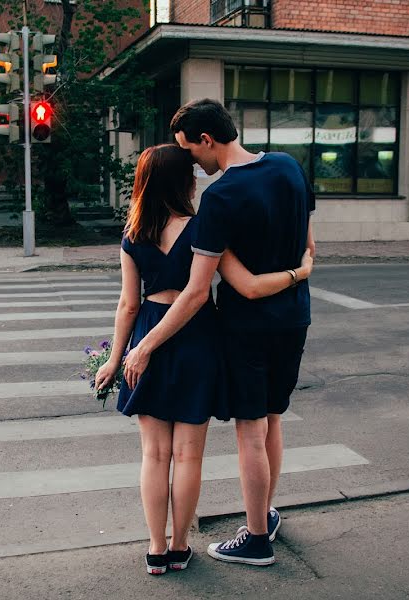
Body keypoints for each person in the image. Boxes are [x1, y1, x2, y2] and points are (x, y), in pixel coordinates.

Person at [95, 143, 313, 575]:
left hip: (148, 341)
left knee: (154, 455)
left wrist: (117, 357)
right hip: (197, 341)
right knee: (188, 456)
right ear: (186, 182)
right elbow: (245, 285)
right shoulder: (203, 229)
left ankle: (156, 550)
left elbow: (128, 305)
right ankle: (180, 547)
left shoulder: (133, 235)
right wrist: (300, 272)